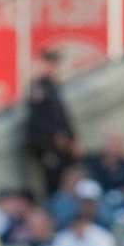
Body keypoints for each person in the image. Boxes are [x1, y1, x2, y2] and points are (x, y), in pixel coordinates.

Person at [25, 47, 82, 197]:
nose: (54, 67)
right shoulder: (39, 87)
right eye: (50, 63)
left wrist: (73, 139)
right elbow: (38, 120)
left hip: (63, 147)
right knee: (55, 185)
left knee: (70, 183)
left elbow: (63, 116)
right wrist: (54, 137)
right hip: (50, 147)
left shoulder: (53, 86)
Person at [46, 178, 118, 246]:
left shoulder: (106, 225)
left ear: (97, 203)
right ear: (76, 202)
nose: (87, 206)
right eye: (84, 202)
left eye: (91, 203)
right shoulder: (66, 224)